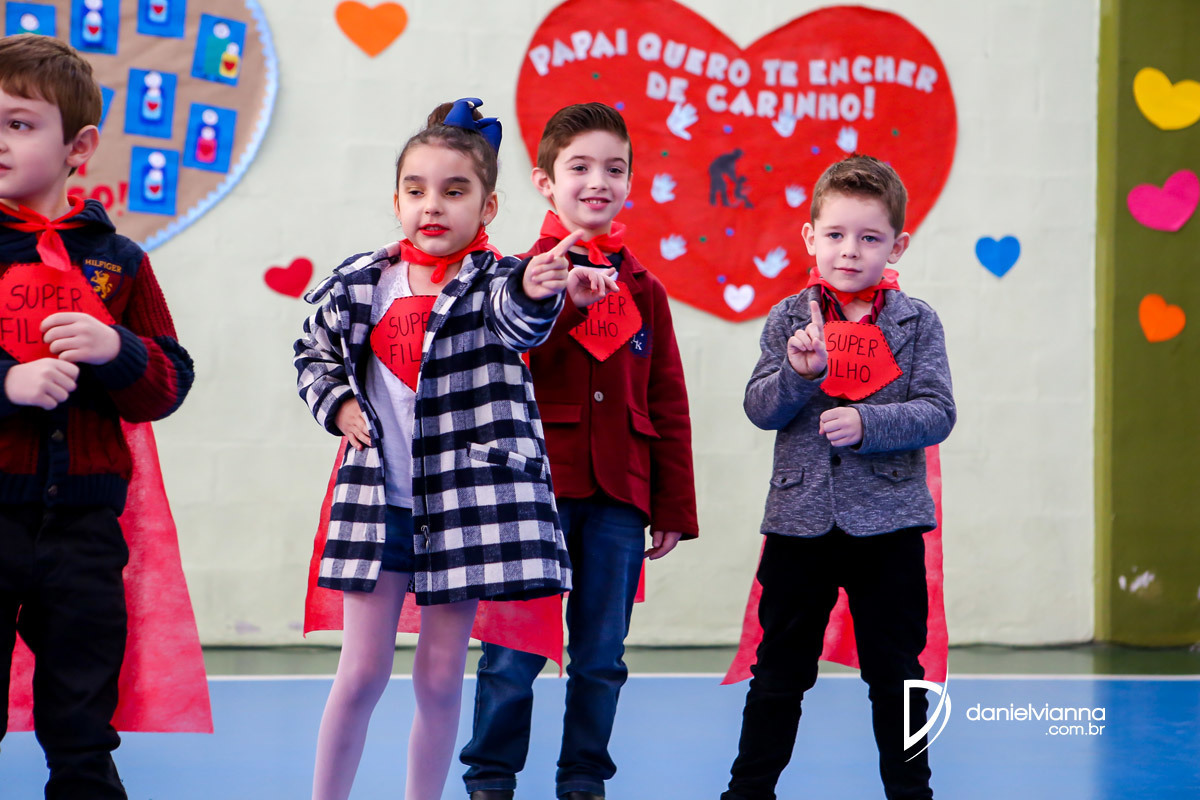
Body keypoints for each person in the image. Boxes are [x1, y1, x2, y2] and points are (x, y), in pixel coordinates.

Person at [294, 98, 606, 800]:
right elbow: (312, 353)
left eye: (454, 191)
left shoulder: (495, 280)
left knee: (438, 678)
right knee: (360, 673)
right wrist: (337, 402)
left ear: (487, 207)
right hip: (378, 506)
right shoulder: (361, 282)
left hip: (463, 510)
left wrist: (537, 286)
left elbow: (519, 319)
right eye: (416, 190)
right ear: (396, 201)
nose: (432, 205)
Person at [460, 102, 698, 800]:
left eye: (614, 169)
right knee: (512, 650)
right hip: (533, 493)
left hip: (621, 495)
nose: (598, 181)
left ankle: (584, 776)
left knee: (601, 655)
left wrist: (673, 507)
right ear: (545, 181)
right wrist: (560, 298)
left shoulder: (647, 289)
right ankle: (491, 776)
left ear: (630, 182)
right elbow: (503, 359)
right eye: (580, 167)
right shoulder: (513, 274)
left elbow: (667, 399)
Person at [722, 155, 955, 800]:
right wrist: (798, 376)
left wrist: (868, 424)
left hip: (890, 528)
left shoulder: (917, 322)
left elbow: (939, 412)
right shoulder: (786, 318)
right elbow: (760, 408)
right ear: (810, 238)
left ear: (896, 246)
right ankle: (747, 792)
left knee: (898, 675)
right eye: (835, 234)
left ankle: (912, 793)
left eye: (869, 237)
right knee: (778, 672)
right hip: (800, 525)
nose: (850, 250)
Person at [0, 34, 194, 799]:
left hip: (84, 531)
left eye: (19, 123)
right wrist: (8, 382)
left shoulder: (119, 261)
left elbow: (168, 385)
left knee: (82, 716)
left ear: (78, 146)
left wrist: (118, 349)